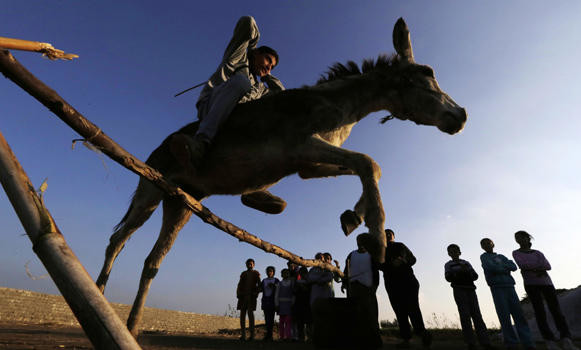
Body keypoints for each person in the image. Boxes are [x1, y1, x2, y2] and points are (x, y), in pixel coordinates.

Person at [172, 15, 285, 169]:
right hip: (210, 106)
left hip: (234, 119)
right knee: (241, 82)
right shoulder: (237, 58)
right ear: (256, 53)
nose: (268, 67)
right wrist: (251, 49)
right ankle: (200, 143)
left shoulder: (260, 88)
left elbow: (282, 95)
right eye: (267, 60)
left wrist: (268, 76)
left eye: (272, 67)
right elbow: (247, 22)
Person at [512, 231, 579, 350]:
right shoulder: (516, 253)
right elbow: (523, 265)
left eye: (521, 237)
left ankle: (566, 339)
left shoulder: (538, 253)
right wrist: (538, 268)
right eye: (517, 238)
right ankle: (549, 341)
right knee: (540, 312)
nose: (519, 240)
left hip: (546, 283)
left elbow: (548, 266)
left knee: (556, 311)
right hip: (531, 284)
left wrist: (534, 268)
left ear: (528, 238)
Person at [380, 229, 432, 348]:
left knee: (413, 308)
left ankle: (423, 334)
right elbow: (378, 265)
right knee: (399, 311)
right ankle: (406, 339)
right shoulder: (380, 250)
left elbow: (413, 259)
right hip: (392, 284)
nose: (387, 235)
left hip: (408, 282)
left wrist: (403, 261)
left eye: (390, 234)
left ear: (394, 236)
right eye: (385, 234)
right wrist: (390, 265)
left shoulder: (400, 245)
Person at [479, 238, 535, 350]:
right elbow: (490, 267)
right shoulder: (484, 257)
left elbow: (513, 266)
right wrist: (504, 268)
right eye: (483, 244)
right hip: (497, 287)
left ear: (493, 244)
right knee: (504, 316)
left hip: (510, 286)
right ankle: (511, 343)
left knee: (519, 315)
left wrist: (501, 268)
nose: (487, 245)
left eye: (488, 243)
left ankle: (528, 342)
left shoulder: (502, 256)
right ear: (482, 247)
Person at [444, 244, 492, 350]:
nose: (453, 253)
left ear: (459, 252)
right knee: (465, 316)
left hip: (470, 289)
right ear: (449, 254)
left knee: (477, 315)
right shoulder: (448, 264)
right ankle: (470, 343)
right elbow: (448, 277)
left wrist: (465, 272)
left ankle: (485, 342)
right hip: (459, 290)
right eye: (451, 251)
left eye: (455, 251)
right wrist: (459, 273)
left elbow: (475, 276)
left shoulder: (466, 263)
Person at [342, 233, 382, 348]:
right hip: (353, 289)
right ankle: (357, 341)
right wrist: (345, 283)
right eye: (359, 240)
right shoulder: (351, 254)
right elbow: (346, 271)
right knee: (355, 315)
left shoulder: (372, 255)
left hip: (368, 290)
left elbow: (376, 273)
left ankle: (375, 342)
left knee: (371, 316)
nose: (360, 242)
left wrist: (374, 288)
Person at [236, 258, 261, 341]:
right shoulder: (243, 274)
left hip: (251, 297)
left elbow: (259, 286)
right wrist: (238, 293)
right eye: (248, 264)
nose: (250, 265)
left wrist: (256, 293)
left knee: (251, 315)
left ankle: (252, 336)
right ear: (246, 264)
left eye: (251, 264)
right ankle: (243, 335)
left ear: (254, 265)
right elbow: (239, 285)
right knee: (242, 315)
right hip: (243, 297)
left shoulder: (256, 273)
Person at [259, 266, 279, 341]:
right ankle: (268, 335)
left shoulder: (276, 280)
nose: (269, 272)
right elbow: (260, 289)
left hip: (273, 301)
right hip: (265, 300)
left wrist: (274, 286)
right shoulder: (264, 280)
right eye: (268, 271)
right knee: (267, 319)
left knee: (271, 318)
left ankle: (270, 335)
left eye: (271, 271)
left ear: (273, 272)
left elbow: (279, 289)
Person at [275, 268, 295, 341]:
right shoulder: (279, 284)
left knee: (288, 321)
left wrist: (293, 303)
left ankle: (288, 336)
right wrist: (277, 305)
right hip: (281, 304)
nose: (285, 275)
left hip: (289, 304)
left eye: (287, 273)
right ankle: (282, 336)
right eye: (284, 273)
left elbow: (293, 294)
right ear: (281, 275)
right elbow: (276, 295)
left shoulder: (291, 283)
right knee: (281, 321)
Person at [293, 266, 311, 341]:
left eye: (304, 272)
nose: (303, 274)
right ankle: (301, 337)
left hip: (307, 302)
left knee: (308, 322)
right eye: (301, 272)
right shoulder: (297, 281)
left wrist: (303, 286)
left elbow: (309, 290)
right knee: (300, 322)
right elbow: (294, 291)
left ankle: (310, 337)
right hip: (299, 302)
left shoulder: (309, 282)